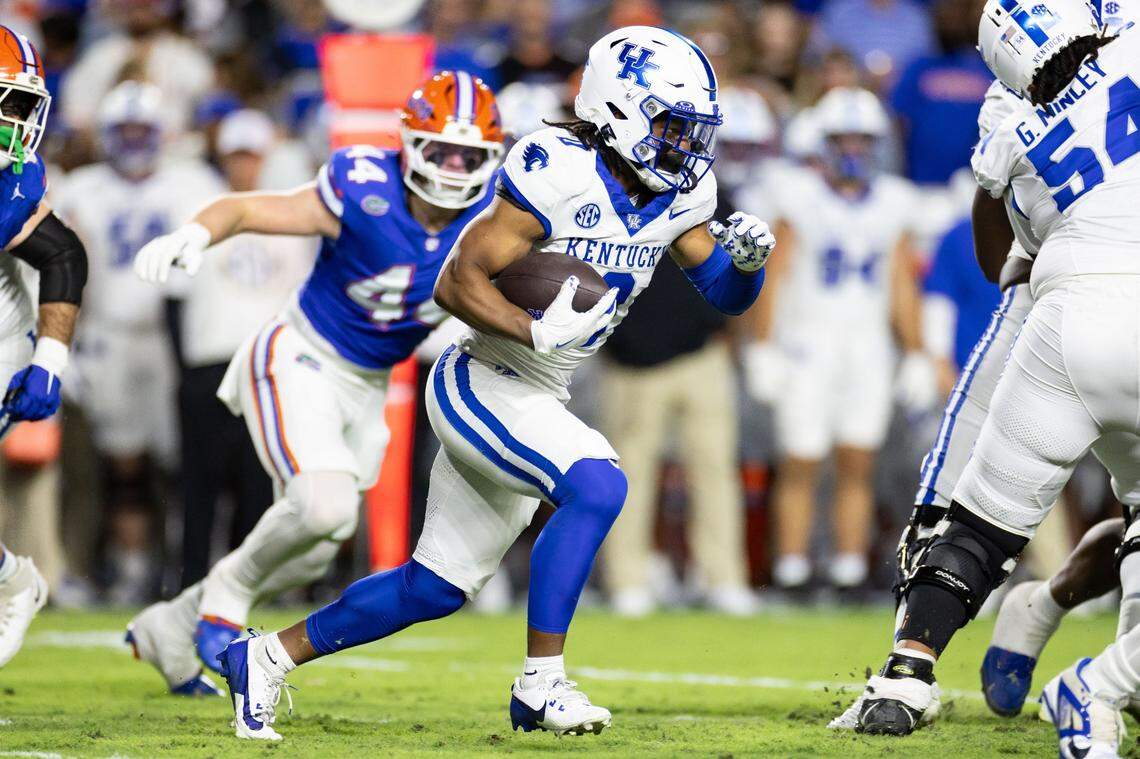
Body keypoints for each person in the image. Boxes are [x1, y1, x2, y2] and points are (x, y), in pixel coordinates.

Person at [212, 25, 775, 741]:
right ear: (621, 108)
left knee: (434, 587)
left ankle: (263, 655)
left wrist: (748, 265)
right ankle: (541, 683)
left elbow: (721, 293)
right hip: (483, 374)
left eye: (693, 130)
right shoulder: (557, 169)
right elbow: (456, 281)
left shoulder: (682, 193)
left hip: (541, 389)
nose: (685, 146)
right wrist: (530, 327)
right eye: (671, 125)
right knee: (598, 483)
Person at [125, 70, 505, 697]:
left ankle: (171, 624)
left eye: (470, 156)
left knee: (316, 546)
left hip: (369, 383)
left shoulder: (494, 215)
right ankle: (222, 603)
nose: (454, 168)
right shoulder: (363, 184)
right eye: (441, 150)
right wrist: (195, 233)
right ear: (410, 144)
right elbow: (248, 208)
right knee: (321, 504)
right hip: (301, 355)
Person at [856, 3, 1140, 753]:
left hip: (1061, 307)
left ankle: (906, 670)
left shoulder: (1010, 125)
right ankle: (1101, 685)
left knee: (978, 522)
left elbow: (996, 258)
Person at [744, 86, 933, 591]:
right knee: (800, 459)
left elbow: (901, 283)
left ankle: (848, 568)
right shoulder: (796, 196)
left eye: (862, 140)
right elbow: (774, 273)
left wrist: (916, 351)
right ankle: (791, 569)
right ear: (823, 143)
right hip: (807, 343)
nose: (852, 151)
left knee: (857, 458)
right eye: (842, 140)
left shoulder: (895, 202)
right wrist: (762, 346)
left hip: (867, 346)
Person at [55, 80, 221, 605]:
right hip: (108, 334)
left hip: (176, 336)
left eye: (140, 130)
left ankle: (185, 565)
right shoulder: (82, 188)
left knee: (182, 460)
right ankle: (132, 567)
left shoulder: (191, 182)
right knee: (121, 463)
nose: (131, 141)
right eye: (121, 131)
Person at [172, 109, 316, 589]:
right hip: (210, 359)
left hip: (267, 365)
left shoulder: (287, 215)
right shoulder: (197, 206)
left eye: (251, 156)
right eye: (237, 155)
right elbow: (173, 296)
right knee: (200, 483)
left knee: (260, 484)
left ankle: (244, 583)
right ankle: (192, 579)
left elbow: (301, 302)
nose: (244, 165)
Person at [0, 25, 89, 666]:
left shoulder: (12, 178)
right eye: (8, 102)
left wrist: (48, 362)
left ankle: (15, 583)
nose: (19, 121)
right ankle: (13, 580)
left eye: (24, 104)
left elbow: (62, 254)